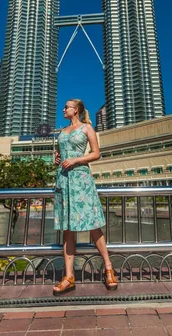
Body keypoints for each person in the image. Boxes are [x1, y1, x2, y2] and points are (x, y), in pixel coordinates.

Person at [53, 98, 117, 296]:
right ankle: (69, 276)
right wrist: (56, 158)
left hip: (81, 180)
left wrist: (75, 159)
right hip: (64, 181)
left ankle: (108, 268)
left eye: (67, 107)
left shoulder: (87, 128)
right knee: (67, 228)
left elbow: (96, 153)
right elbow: (59, 154)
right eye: (65, 107)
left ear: (77, 110)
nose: (64, 109)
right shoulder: (62, 132)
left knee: (92, 225)